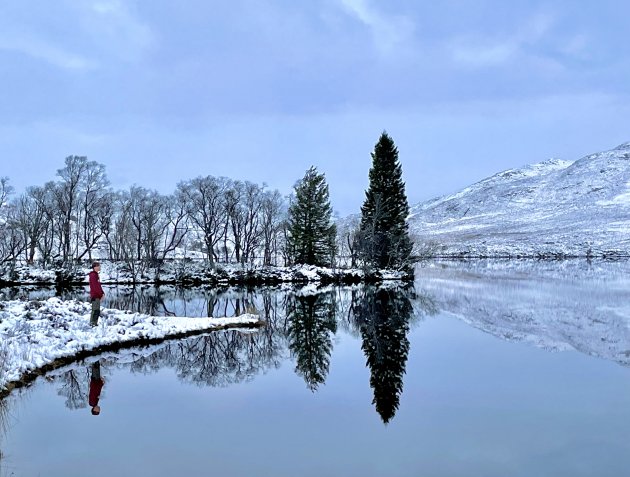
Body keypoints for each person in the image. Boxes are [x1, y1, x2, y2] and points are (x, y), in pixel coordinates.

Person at [88, 261, 105, 327]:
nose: (99, 267)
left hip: (97, 295)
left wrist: (102, 293)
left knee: (97, 310)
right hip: (95, 295)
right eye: (98, 266)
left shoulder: (96, 275)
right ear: (95, 267)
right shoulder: (93, 275)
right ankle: (93, 324)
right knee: (95, 310)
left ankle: (94, 323)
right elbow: (95, 286)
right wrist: (101, 295)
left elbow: (98, 286)